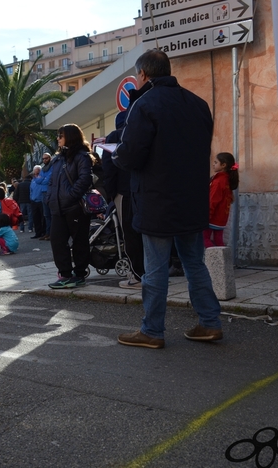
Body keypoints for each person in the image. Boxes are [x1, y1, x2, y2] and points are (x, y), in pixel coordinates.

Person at [113, 49, 222, 349]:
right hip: (192, 198)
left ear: (144, 75)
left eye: (137, 75)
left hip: (157, 200)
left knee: (156, 268)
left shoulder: (145, 104)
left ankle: (152, 331)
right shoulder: (198, 104)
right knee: (194, 264)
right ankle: (210, 323)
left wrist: (116, 155)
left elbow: (132, 153)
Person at [46, 124, 94, 289]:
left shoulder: (81, 156)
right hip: (57, 207)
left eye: (61, 135)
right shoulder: (58, 158)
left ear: (71, 136)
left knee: (79, 242)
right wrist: (49, 198)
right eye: (58, 135)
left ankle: (79, 275)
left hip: (75, 207)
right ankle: (65, 274)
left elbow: (85, 178)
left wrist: (72, 196)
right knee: (57, 241)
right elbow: (52, 181)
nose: (58, 139)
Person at [102, 112, 144, 289]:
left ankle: (137, 275)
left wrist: (110, 194)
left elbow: (109, 167)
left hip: (124, 192)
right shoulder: (143, 134)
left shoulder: (115, 137)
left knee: (130, 233)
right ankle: (153, 272)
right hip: (145, 191)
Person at [205, 152, 240, 247]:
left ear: (223, 165)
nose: (213, 164)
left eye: (216, 162)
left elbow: (213, 200)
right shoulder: (227, 180)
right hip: (221, 218)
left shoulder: (218, 181)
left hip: (213, 217)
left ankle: (215, 260)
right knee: (218, 240)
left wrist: (207, 215)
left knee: (205, 238)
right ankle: (223, 260)